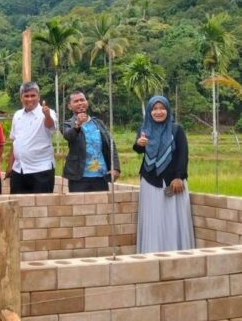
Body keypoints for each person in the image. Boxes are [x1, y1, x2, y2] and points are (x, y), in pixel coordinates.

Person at [133, 95, 194, 253]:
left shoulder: (176, 129)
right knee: (153, 218)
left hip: (173, 181)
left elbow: (183, 154)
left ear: (167, 110)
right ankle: (152, 252)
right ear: (149, 111)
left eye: (162, 108)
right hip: (150, 180)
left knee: (172, 218)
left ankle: (175, 252)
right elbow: (138, 149)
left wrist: (179, 177)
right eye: (154, 109)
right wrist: (139, 144)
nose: (158, 112)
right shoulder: (144, 129)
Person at [62, 91, 120, 192]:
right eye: (76, 101)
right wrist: (78, 124)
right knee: (79, 203)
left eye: (82, 100)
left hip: (101, 176)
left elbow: (110, 144)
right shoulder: (67, 124)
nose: (80, 103)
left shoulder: (98, 123)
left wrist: (115, 168)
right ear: (69, 106)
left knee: (101, 202)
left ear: (87, 103)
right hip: (78, 178)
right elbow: (69, 136)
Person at [5, 82, 57, 194]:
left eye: (33, 95)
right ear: (21, 98)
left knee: (41, 204)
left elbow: (50, 125)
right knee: (17, 203)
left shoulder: (48, 113)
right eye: (26, 96)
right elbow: (15, 141)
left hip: (41, 170)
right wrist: (10, 166)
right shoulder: (17, 115)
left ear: (38, 96)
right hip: (19, 170)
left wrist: (47, 115)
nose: (30, 99)